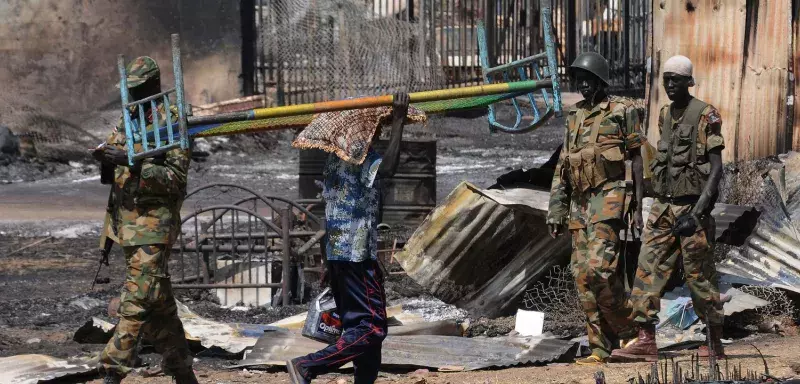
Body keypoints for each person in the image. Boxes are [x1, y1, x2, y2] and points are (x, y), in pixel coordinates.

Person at [287, 93, 411, 384]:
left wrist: (329, 263)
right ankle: (307, 366)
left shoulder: (334, 161)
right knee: (372, 328)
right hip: (353, 255)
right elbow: (390, 168)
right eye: (378, 127)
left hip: (342, 253)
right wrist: (401, 122)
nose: (379, 131)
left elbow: (332, 211)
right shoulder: (361, 157)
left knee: (359, 326)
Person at [611, 55, 725, 362]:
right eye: (666, 79)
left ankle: (714, 342)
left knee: (699, 276)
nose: (670, 84)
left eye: (676, 79)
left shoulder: (705, 115)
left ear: (689, 81)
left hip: (691, 211)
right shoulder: (663, 114)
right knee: (646, 270)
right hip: (663, 209)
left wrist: (698, 214)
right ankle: (646, 340)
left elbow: (716, 171)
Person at [92, 56, 197, 384]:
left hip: (155, 224)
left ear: (153, 85)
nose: (132, 97)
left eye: (137, 90)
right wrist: (106, 162)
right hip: (127, 225)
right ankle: (182, 372)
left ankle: (112, 371)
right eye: (129, 90)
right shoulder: (127, 120)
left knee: (136, 300)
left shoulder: (173, 119)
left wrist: (133, 162)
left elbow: (175, 178)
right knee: (158, 304)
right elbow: (109, 179)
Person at [546, 52, 645, 365]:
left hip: (610, 199)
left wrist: (639, 204)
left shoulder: (622, 110)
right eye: (579, 80)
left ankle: (630, 330)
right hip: (579, 205)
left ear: (601, 81)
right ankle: (599, 348)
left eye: (589, 80)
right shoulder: (574, 116)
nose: (583, 86)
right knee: (581, 277)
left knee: (598, 270)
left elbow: (638, 157)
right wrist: (556, 210)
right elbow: (563, 166)